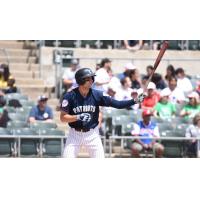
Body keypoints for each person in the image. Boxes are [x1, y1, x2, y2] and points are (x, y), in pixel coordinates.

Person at [60, 68, 146, 158]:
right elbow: (63, 118)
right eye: (88, 79)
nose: (92, 80)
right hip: (74, 134)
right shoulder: (69, 96)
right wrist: (77, 117)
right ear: (80, 80)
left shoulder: (98, 94)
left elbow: (118, 104)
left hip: (92, 134)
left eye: (92, 78)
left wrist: (135, 100)